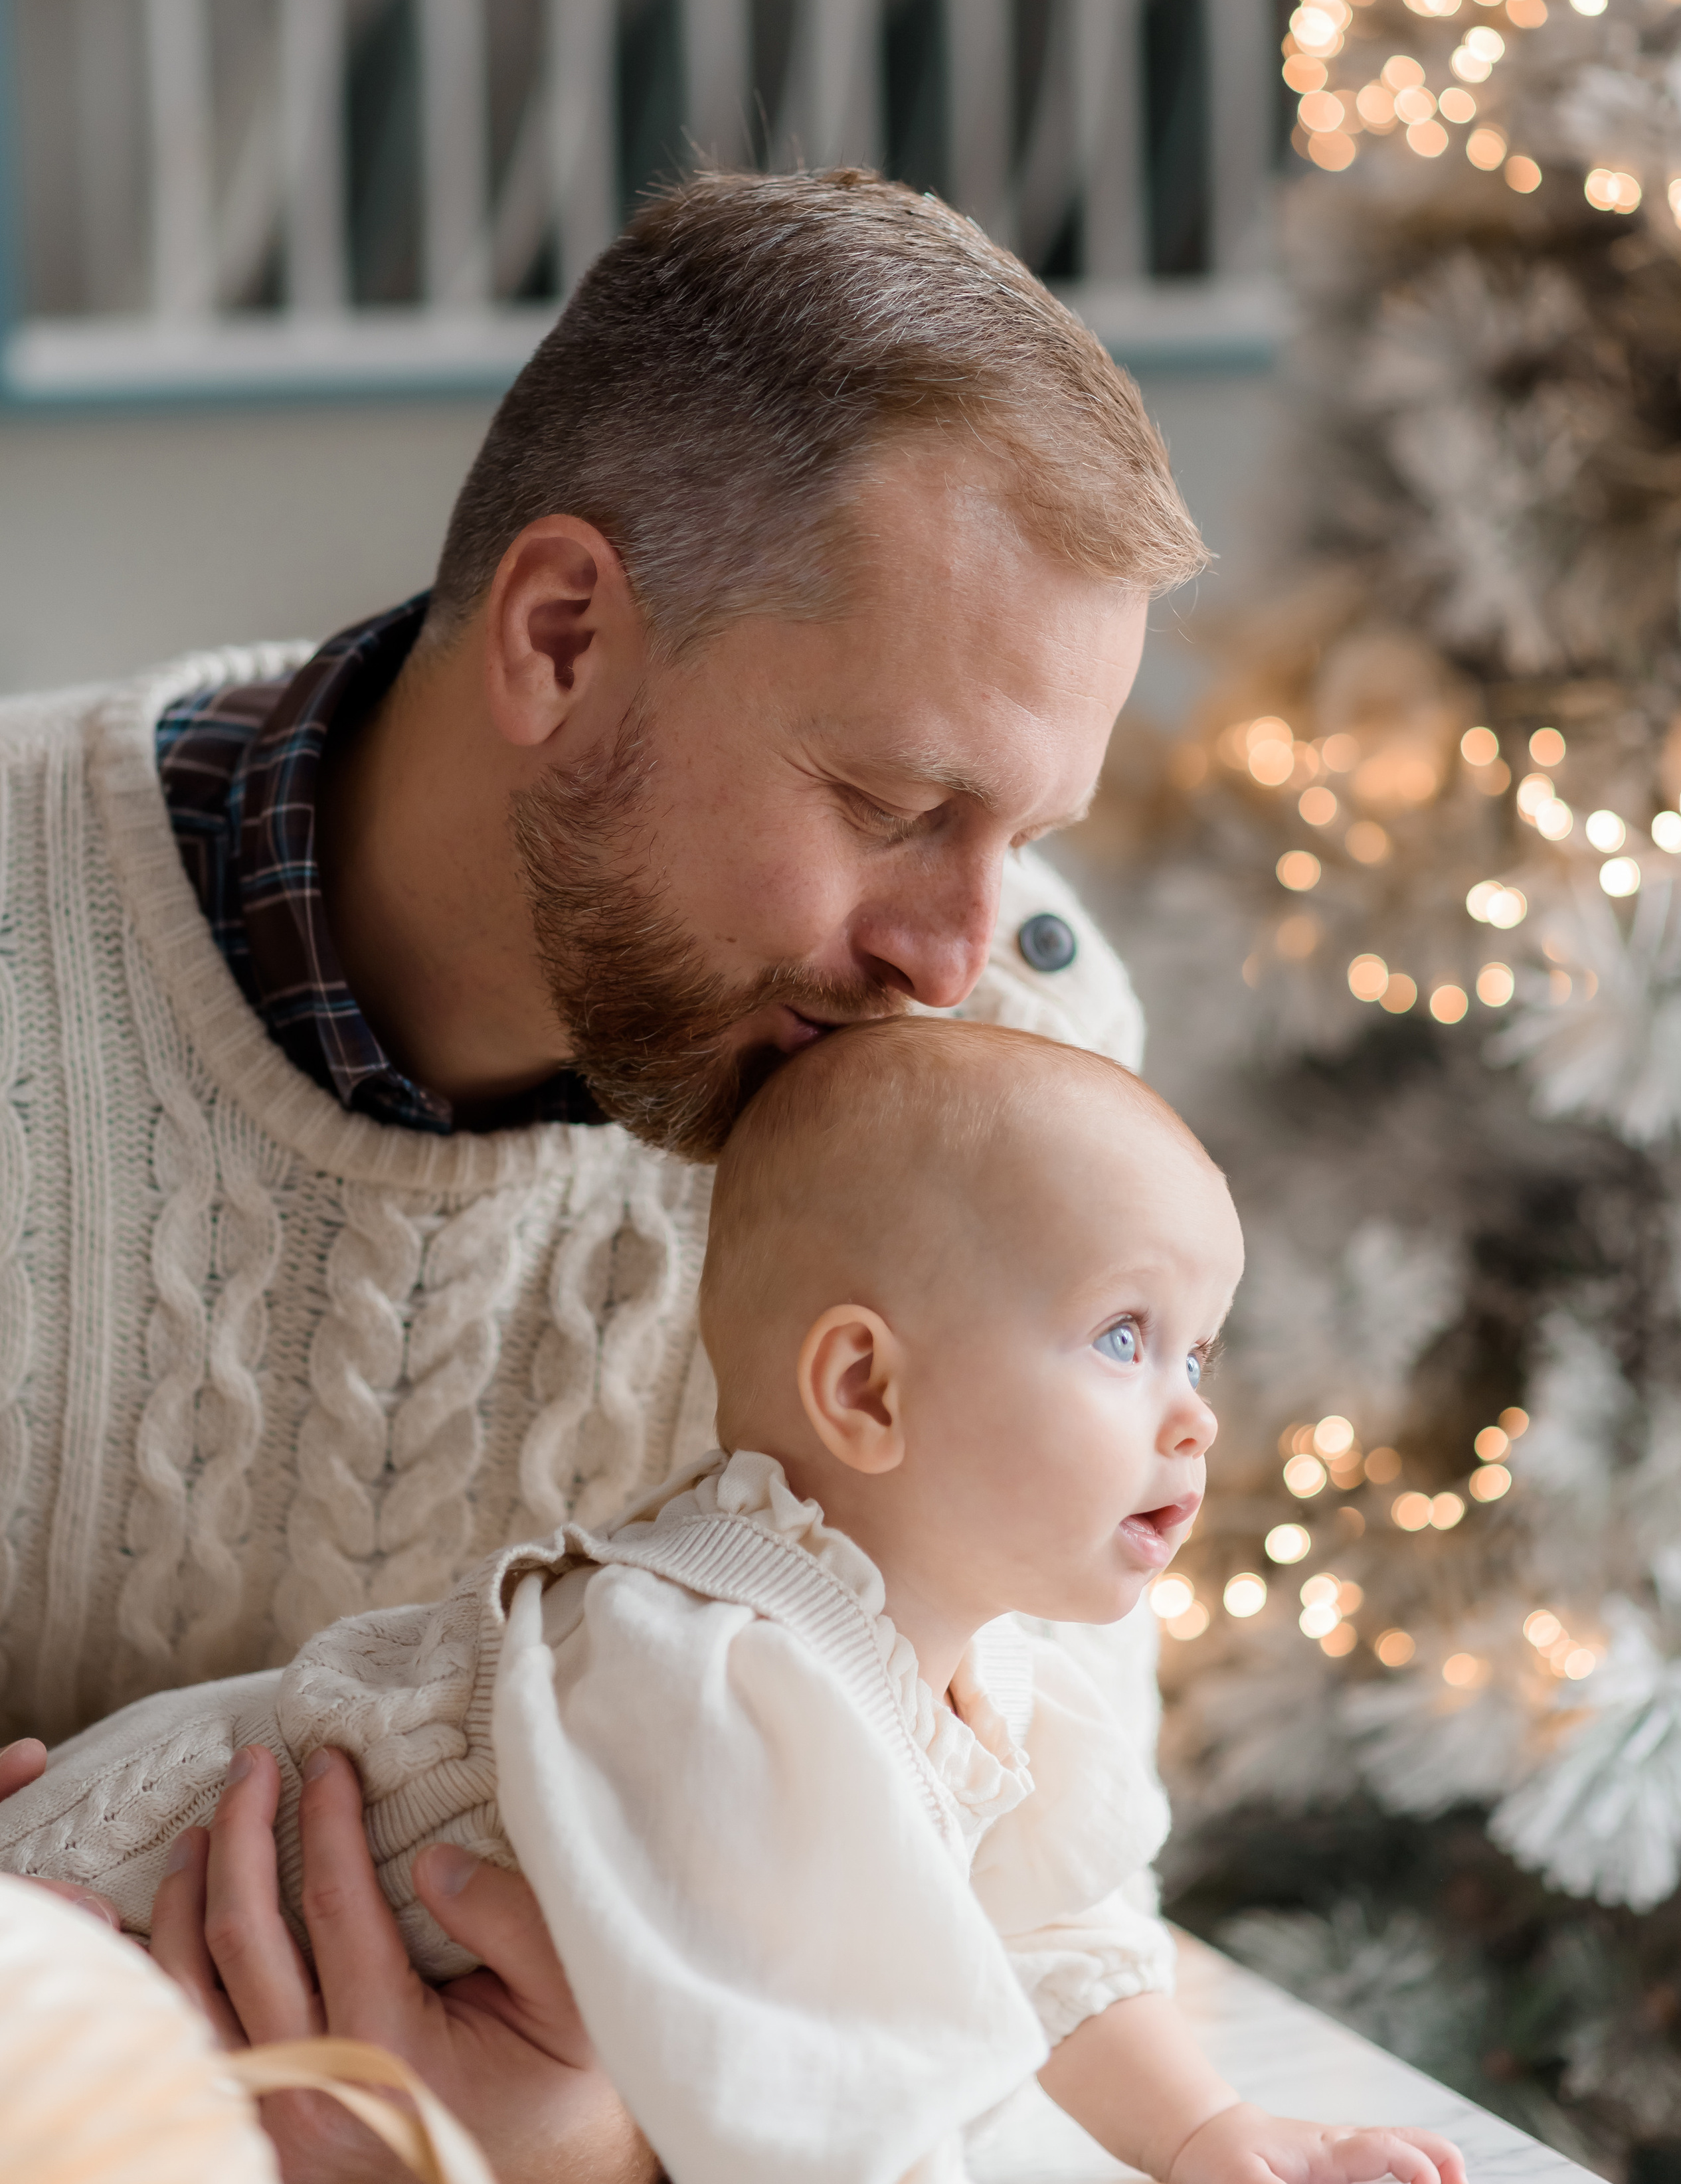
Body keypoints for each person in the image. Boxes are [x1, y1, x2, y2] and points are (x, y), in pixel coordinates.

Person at [0, 167, 1205, 2180]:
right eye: (898, 804)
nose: (960, 951)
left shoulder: (1015, 1087)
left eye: (1029, 831)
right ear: (562, 638)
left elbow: (1018, 1855)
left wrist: (581, 2137)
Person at [0, 1021, 1465, 2184]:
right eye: (1123, 1335)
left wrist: (1213, 2139)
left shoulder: (991, 1667)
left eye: (1198, 1355)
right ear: (864, 1389)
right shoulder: (712, 1664)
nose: (1194, 1417)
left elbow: (1053, 1944)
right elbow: (821, 2109)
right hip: (120, 1907)